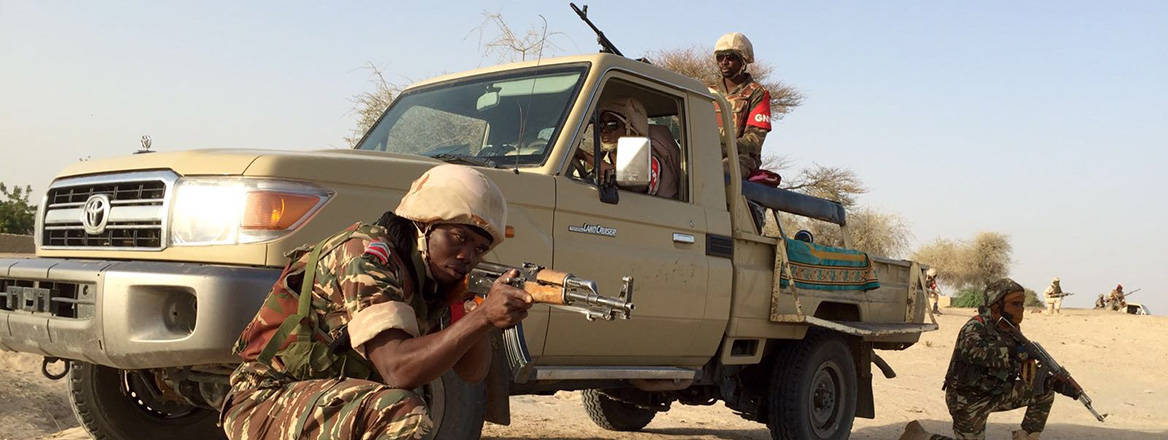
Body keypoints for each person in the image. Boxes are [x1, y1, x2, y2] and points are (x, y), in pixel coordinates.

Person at [220, 164, 534, 440]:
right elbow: (397, 368)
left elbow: (472, 373)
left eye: (479, 248)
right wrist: (482, 318)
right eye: (457, 237)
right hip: (263, 401)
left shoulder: (432, 279)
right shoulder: (367, 255)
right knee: (397, 412)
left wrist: (478, 312)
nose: (467, 256)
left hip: (321, 400)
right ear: (423, 226)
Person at [901, 278, 1057, 440]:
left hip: (997, 391)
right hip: (967, 399)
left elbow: (1023, 367)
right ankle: (920, 436)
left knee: (1044, 390)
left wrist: (1050, 380)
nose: (1021, 310)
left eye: (1022, 305)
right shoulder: (975, 327)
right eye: (1015, 304)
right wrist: (1017, 352)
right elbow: (975, 353)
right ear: (997, 306)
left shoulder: (1010, 328)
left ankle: (1027, 437)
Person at [574, 96, 681, 199]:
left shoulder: (649, 158)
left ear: (630, 127)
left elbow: (634, 184)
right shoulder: (603, 157)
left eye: (612, 124)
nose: (604, 130)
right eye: (601, 125)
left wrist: (584, 156)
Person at [710, 32, 773, 178]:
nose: (724, 62)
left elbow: (755, 140)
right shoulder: (708, 91)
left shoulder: (757, 93)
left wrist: (724, 149)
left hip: (742, 159)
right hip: (707, 153)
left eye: (731, 57)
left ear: (744, 61)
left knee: (719, 173)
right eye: (720, 57)